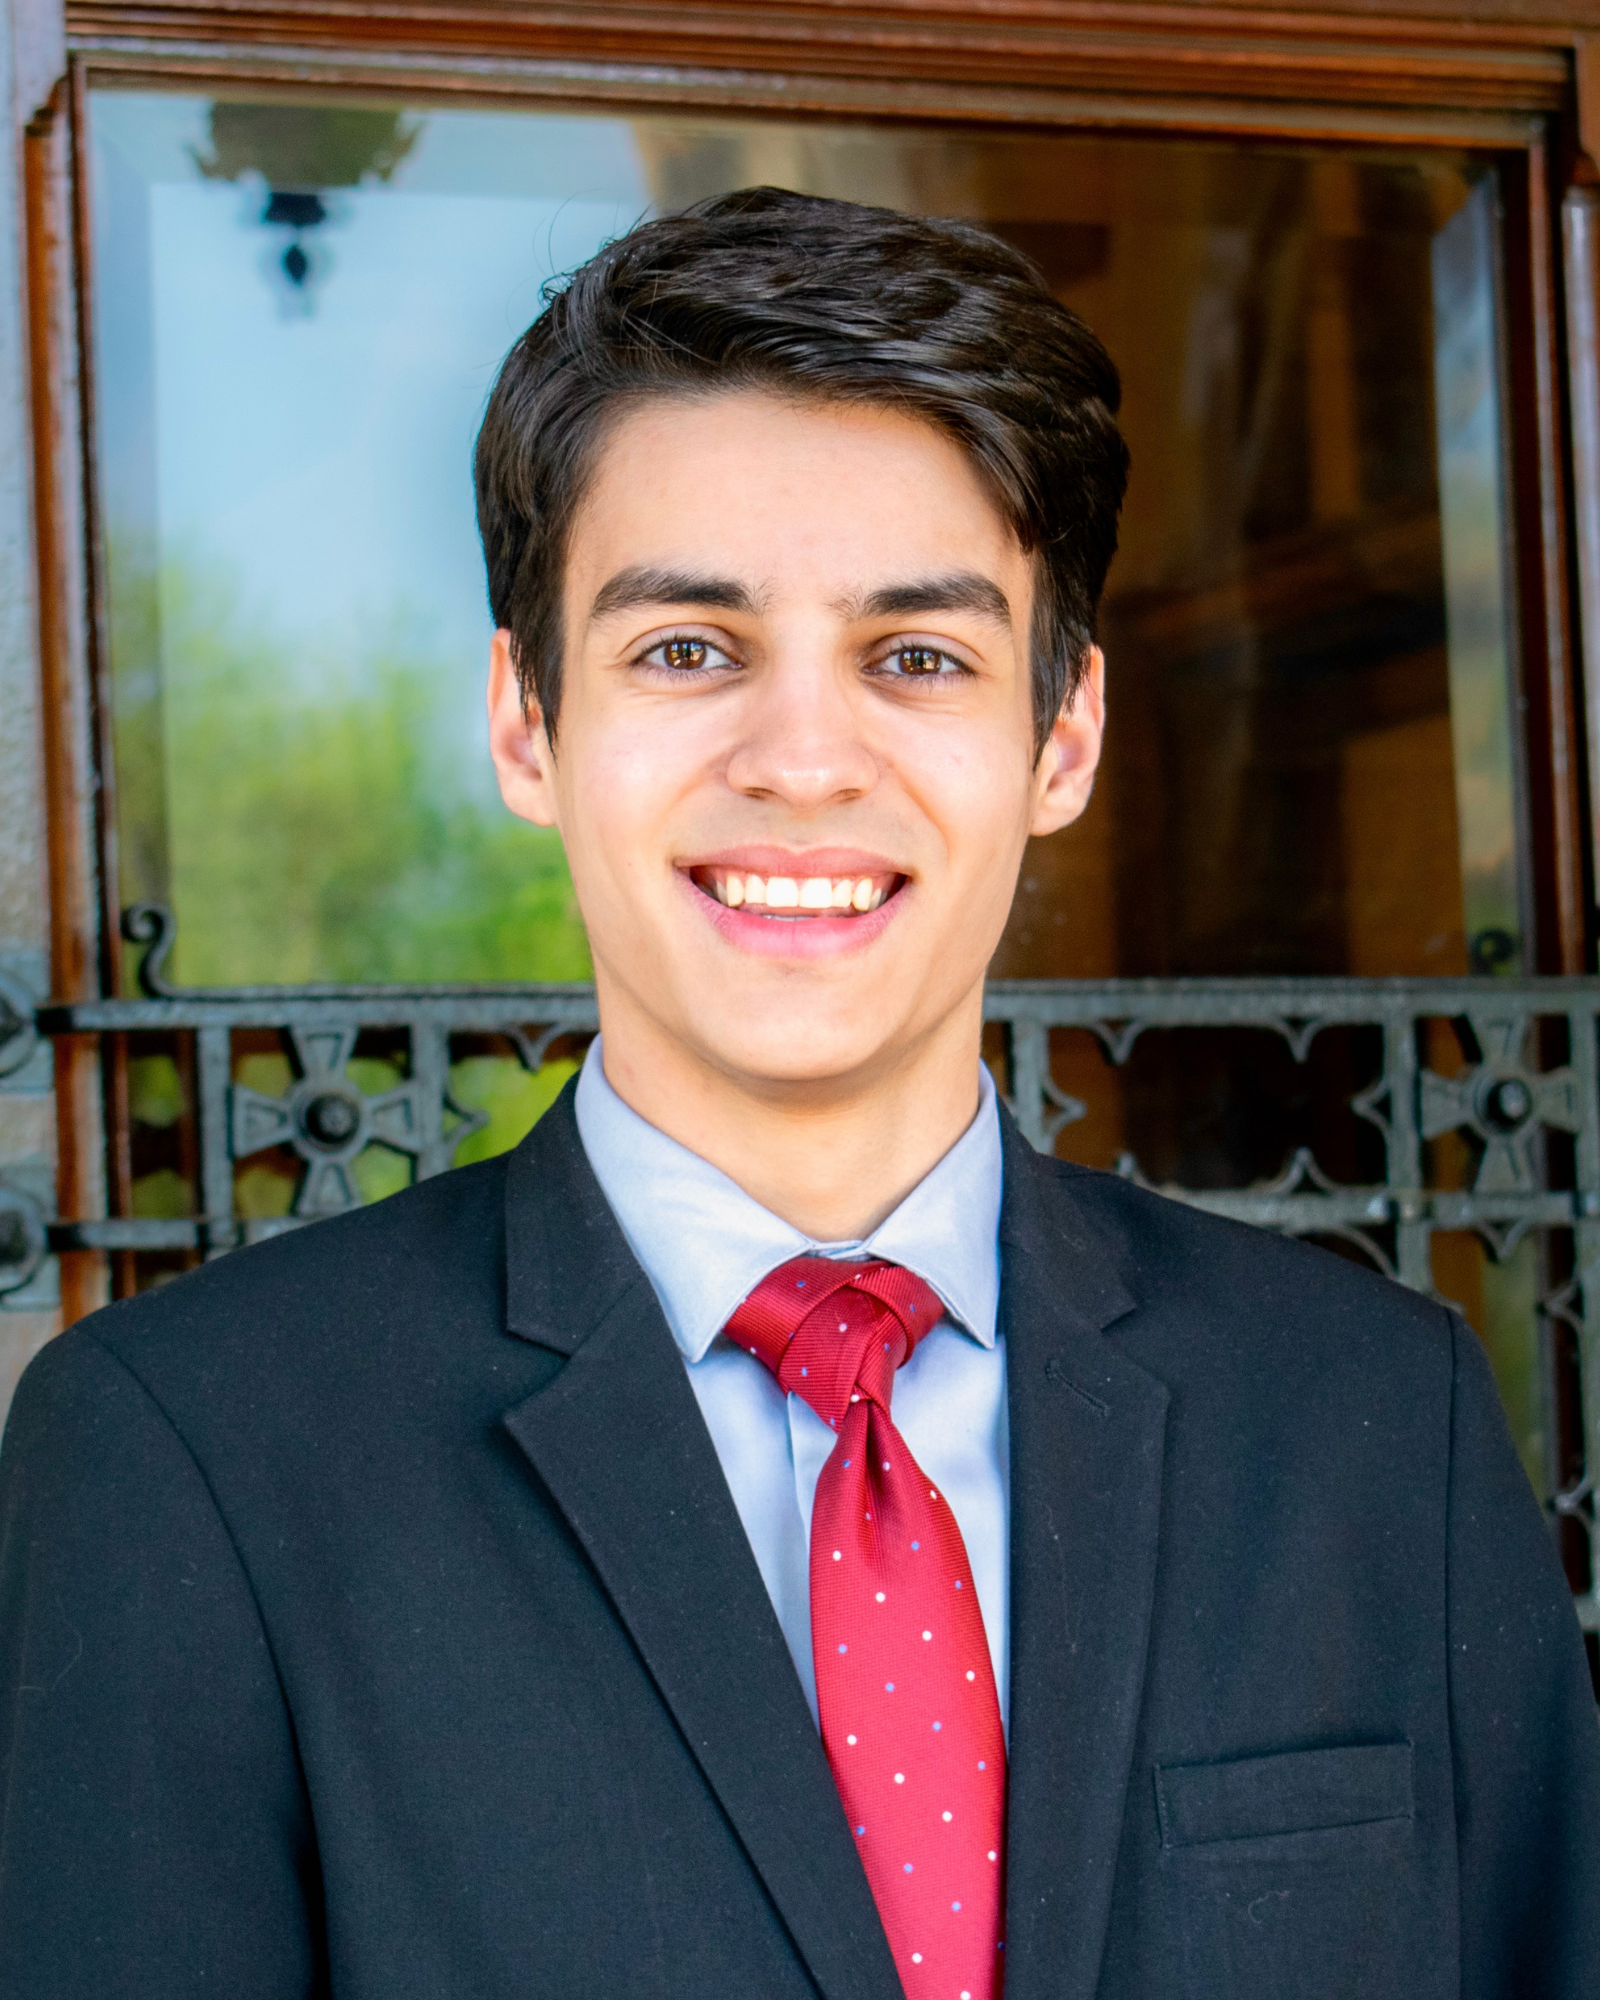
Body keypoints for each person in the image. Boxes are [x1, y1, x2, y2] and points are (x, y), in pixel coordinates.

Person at [1, 187, 1596, 2000]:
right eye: (689, 650)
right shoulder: (184, 1460)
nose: (806, 763)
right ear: (528, 721)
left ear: (1059, 733)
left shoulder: (1381, 1425)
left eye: (917, 657)